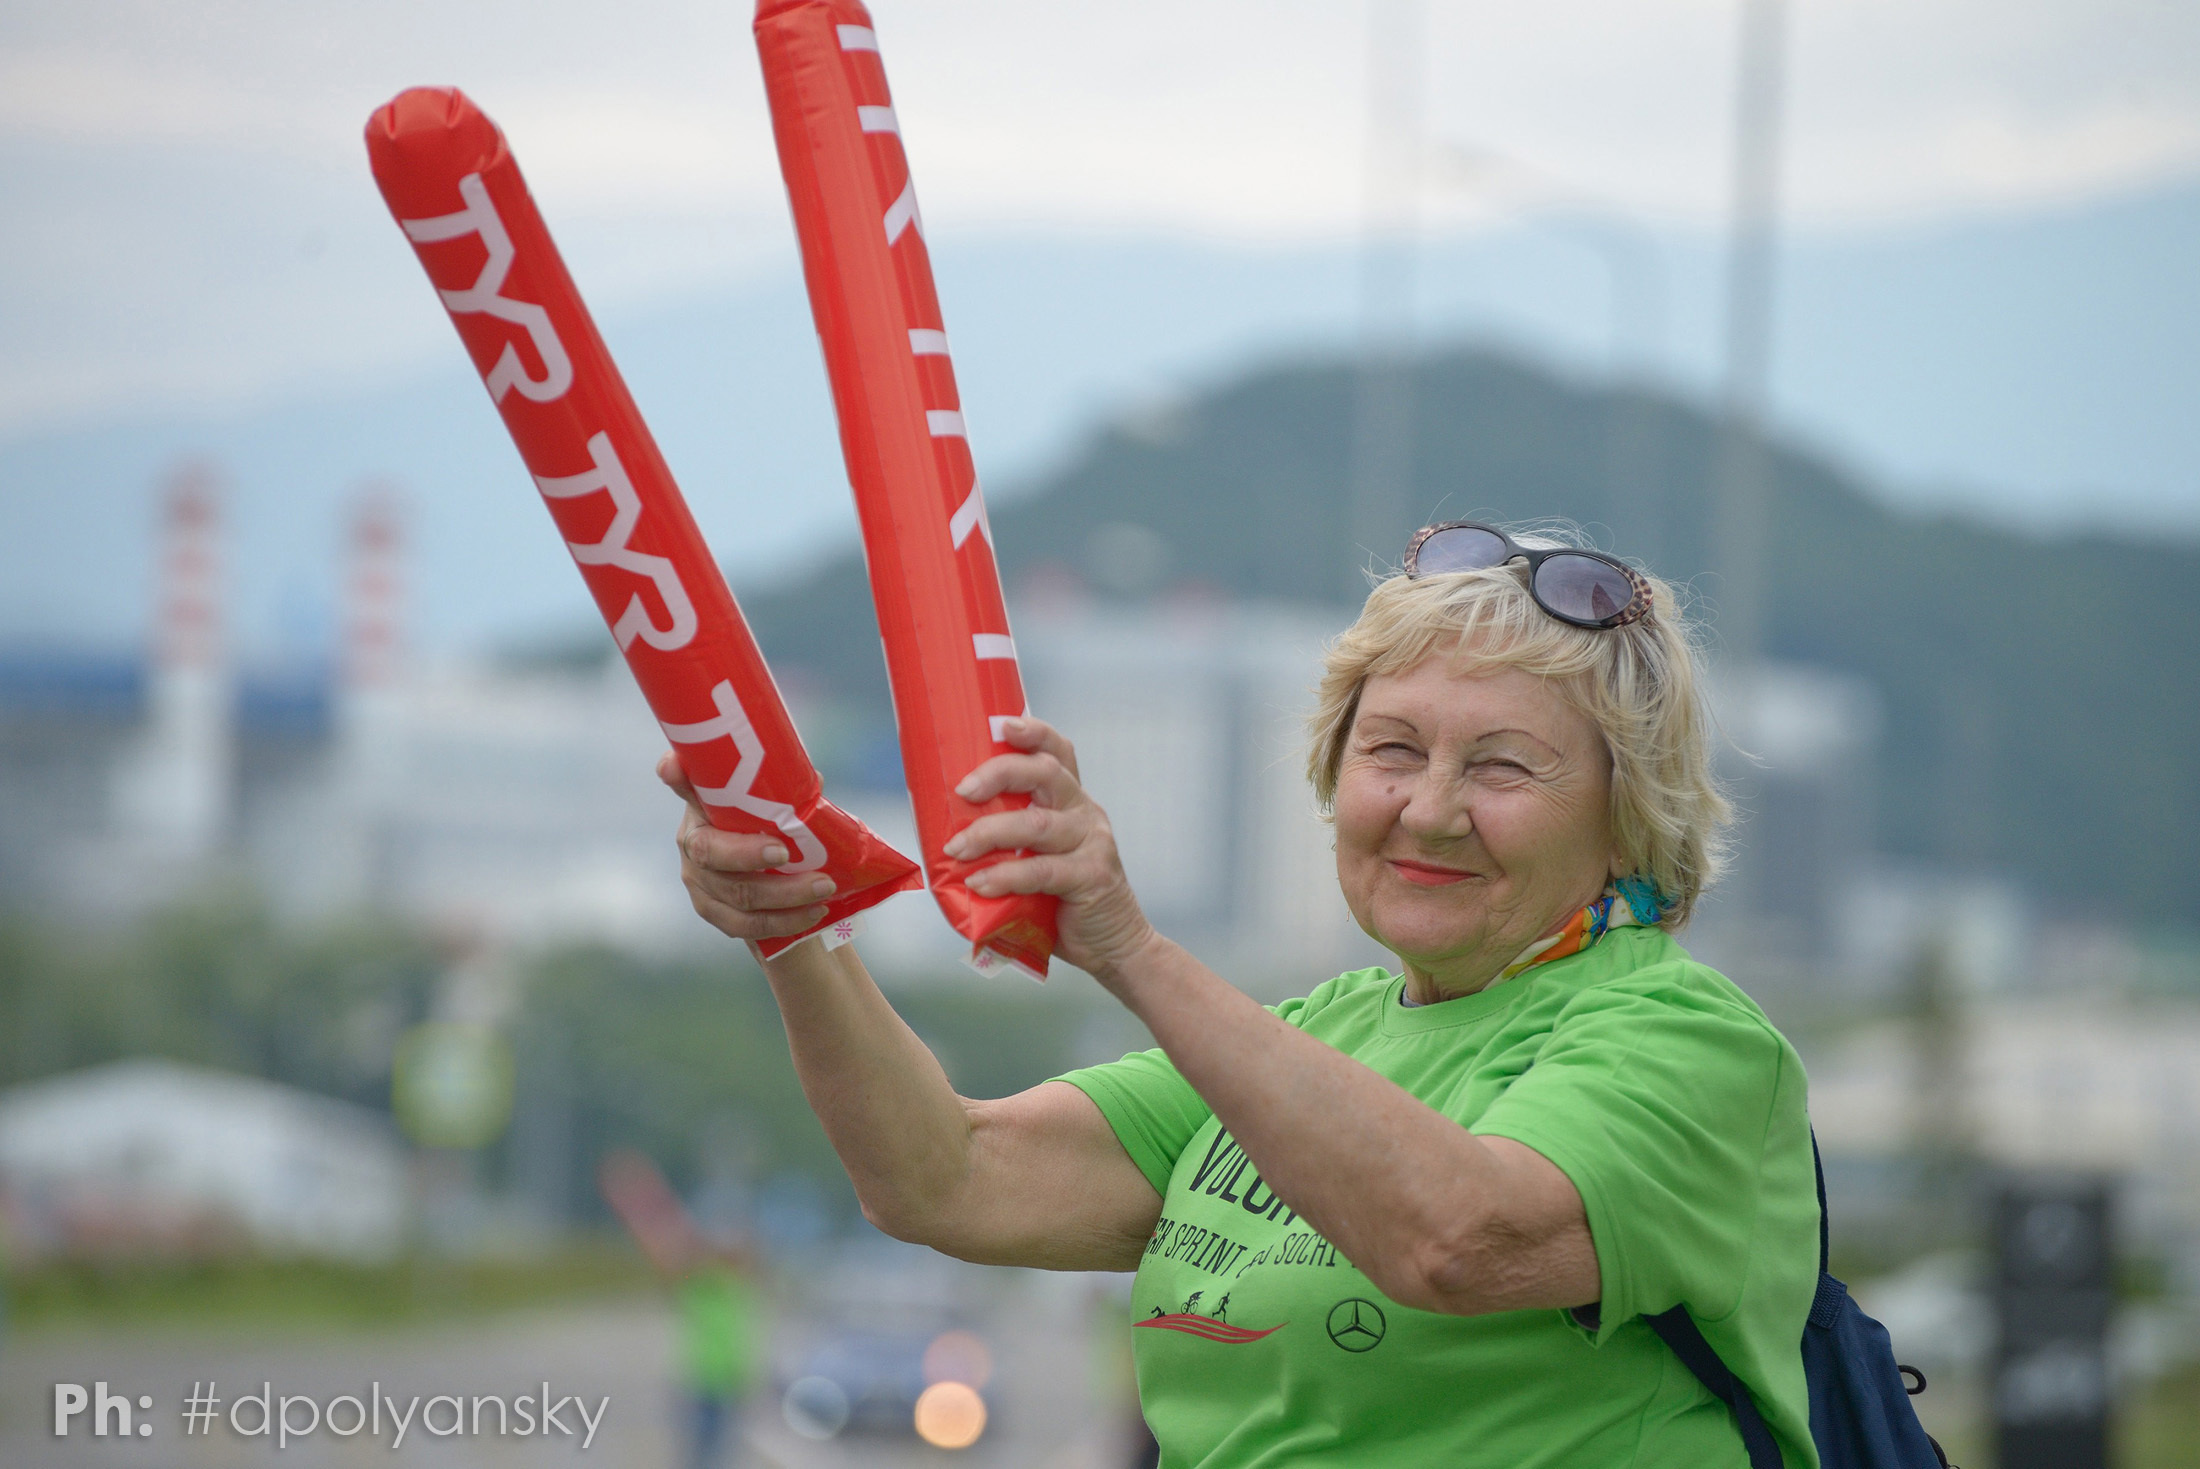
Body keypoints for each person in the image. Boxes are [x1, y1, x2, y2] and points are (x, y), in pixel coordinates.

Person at [660, 522, 1820, 1467]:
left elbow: (1459, 1239)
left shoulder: (1686, 1036)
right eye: (1393, 751)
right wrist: (799, 933)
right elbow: (945, 1175)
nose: (1427, 807)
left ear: (1628, 814)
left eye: (1503, 765)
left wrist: (1125, 948)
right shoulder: (1313, 1038)